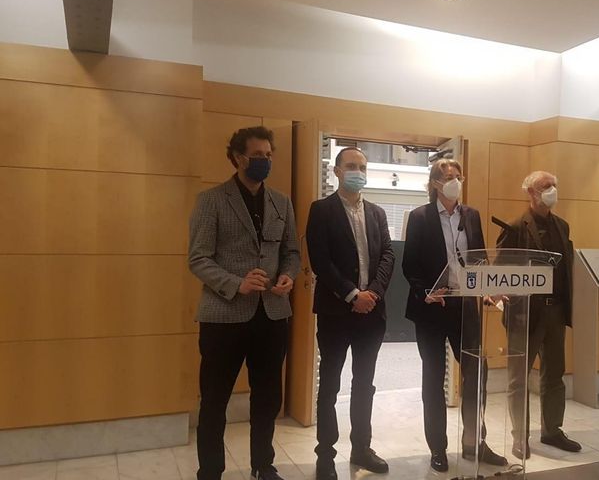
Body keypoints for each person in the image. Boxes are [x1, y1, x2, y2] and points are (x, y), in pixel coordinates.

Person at [188, 126, 300, 480]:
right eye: (258, 155)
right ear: (238, 158)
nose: (265, 161)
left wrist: (288, 276)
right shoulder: (212, 200)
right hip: (223, 318)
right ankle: (210, 471)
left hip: (272, 315)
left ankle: (263, 465)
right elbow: (199, 258)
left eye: (269, 155)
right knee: (215, 400)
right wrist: (236, 284)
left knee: (267, 399)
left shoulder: (281, 202)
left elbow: (292, 253)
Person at [402, 159, 508, 472]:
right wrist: (426, 293)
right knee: (433, 379)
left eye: (458, 177)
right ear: (435, 183)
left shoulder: (471, 215)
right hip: (433, 308)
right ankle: (438, 448)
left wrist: (488, 287)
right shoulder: (420, 217)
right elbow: (410, 266)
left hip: (466, 307)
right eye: (449, 177)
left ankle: (476, 442)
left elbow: (481, 259)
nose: (455, 181)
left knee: (478, 374)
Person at [306, 147, 395, 480]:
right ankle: (325, 455)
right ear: (337, 171)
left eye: (362, 166)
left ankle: (361, 448)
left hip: (372, 313)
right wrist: (352, 294)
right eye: (351, 166)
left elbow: (387, 255)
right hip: (335, 313)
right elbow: (320, 260)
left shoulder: (377, 212)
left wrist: (373, 294)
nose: (358, 171)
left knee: (365, 385)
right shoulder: (321, 210)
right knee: (329, 384)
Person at [497, 171, 582, 460]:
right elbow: (500, 273)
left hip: (557, 311)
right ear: (531, 193)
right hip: (525, 315)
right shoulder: (514, 227)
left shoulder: (563, 226)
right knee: (518, 378)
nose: (552, 191)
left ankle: (552, 431)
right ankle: (520, 437)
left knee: (554, 374)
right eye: (546, 187)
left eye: (554, 185)